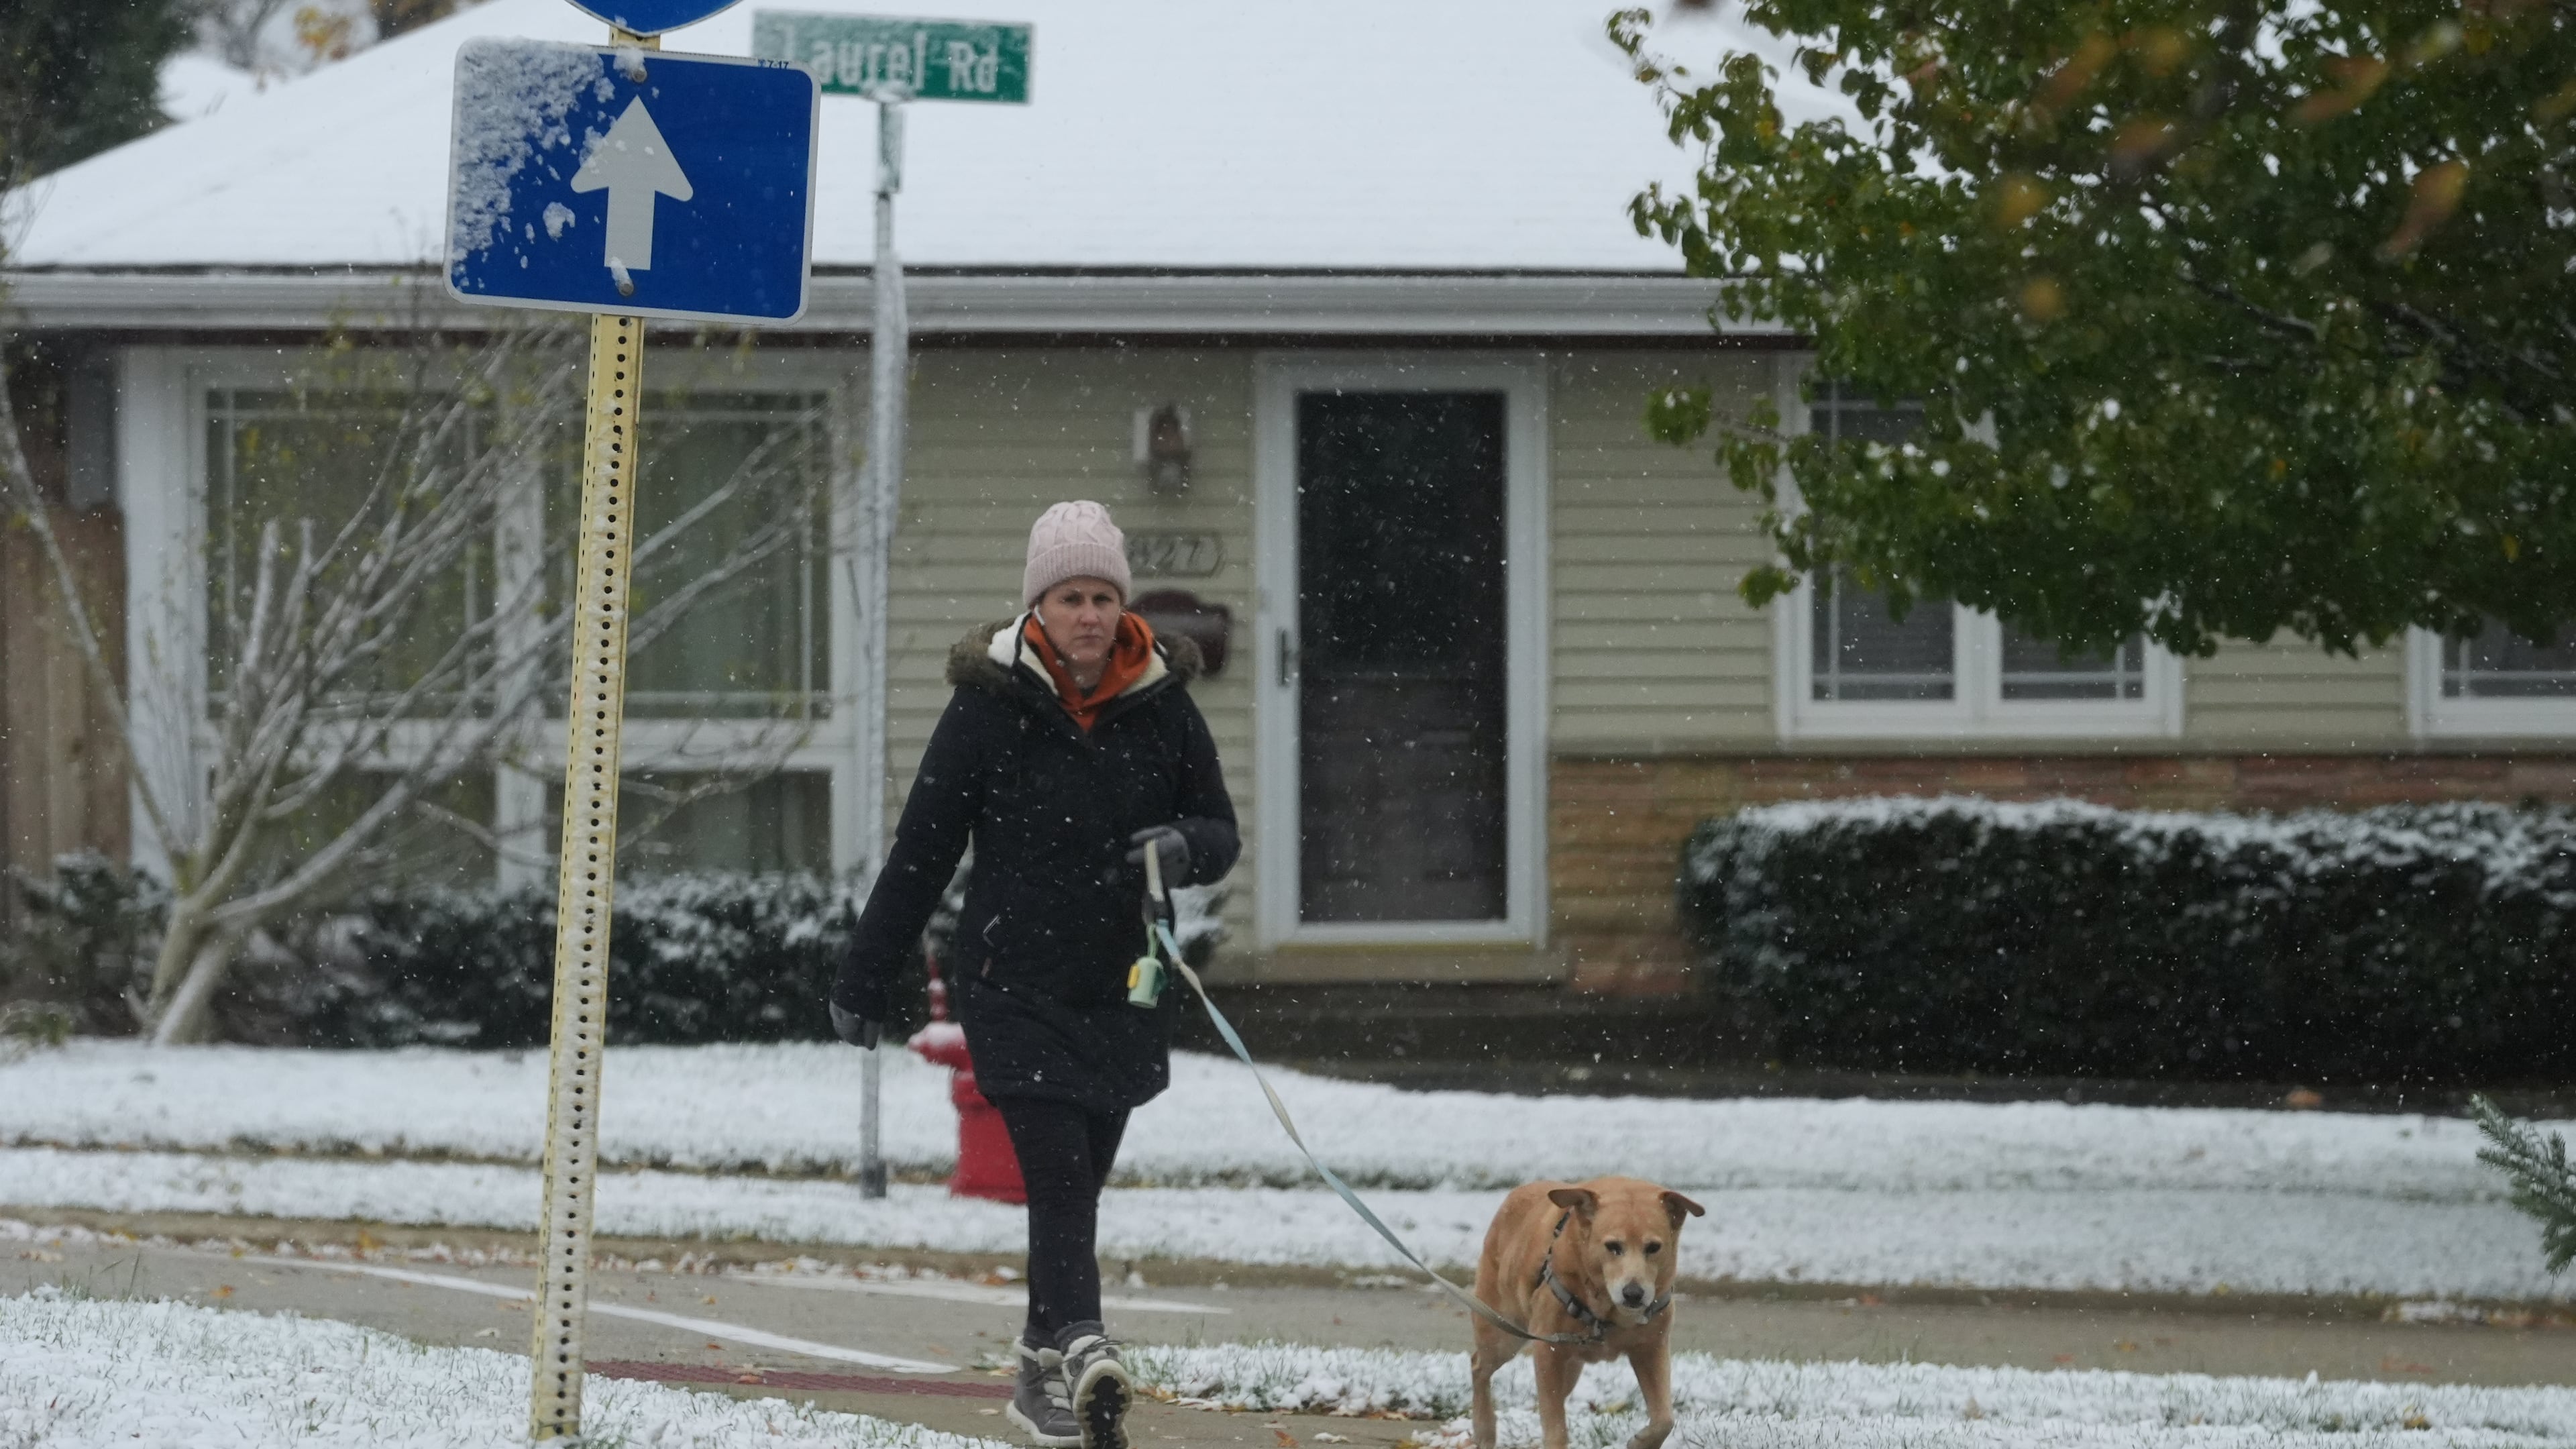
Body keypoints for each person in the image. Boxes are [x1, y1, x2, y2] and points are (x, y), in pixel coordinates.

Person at [830, 500, 1239, 1449]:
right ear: (1037, 607)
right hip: (1013, 979)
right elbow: (922, 850)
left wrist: (1182, 845)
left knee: (1080, 1183)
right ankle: (1088, 1349)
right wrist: (863, 976)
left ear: (1121, 605)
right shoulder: (988, 706)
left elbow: (1221, 833)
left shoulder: (1163, 704)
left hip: (1123, 981)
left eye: (1102, 596)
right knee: (1056, 1178)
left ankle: (1036, 1361)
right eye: (1069, 597)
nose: (1088, 615)